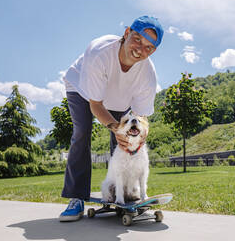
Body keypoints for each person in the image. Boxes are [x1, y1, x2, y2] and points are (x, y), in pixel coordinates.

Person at [59, 16, 164, 222]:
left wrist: (137, 138)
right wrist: (116, 128)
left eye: (149, 47)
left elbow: (141, 118)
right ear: (126, 33)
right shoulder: (100, 52)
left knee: (121, 144)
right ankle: (76, 198)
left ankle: (119, 192)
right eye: (137, 40)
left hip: (119, 99)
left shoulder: (148, 76)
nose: (140, 49)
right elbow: (96, 104)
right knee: (81, 133)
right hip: (82, 90)